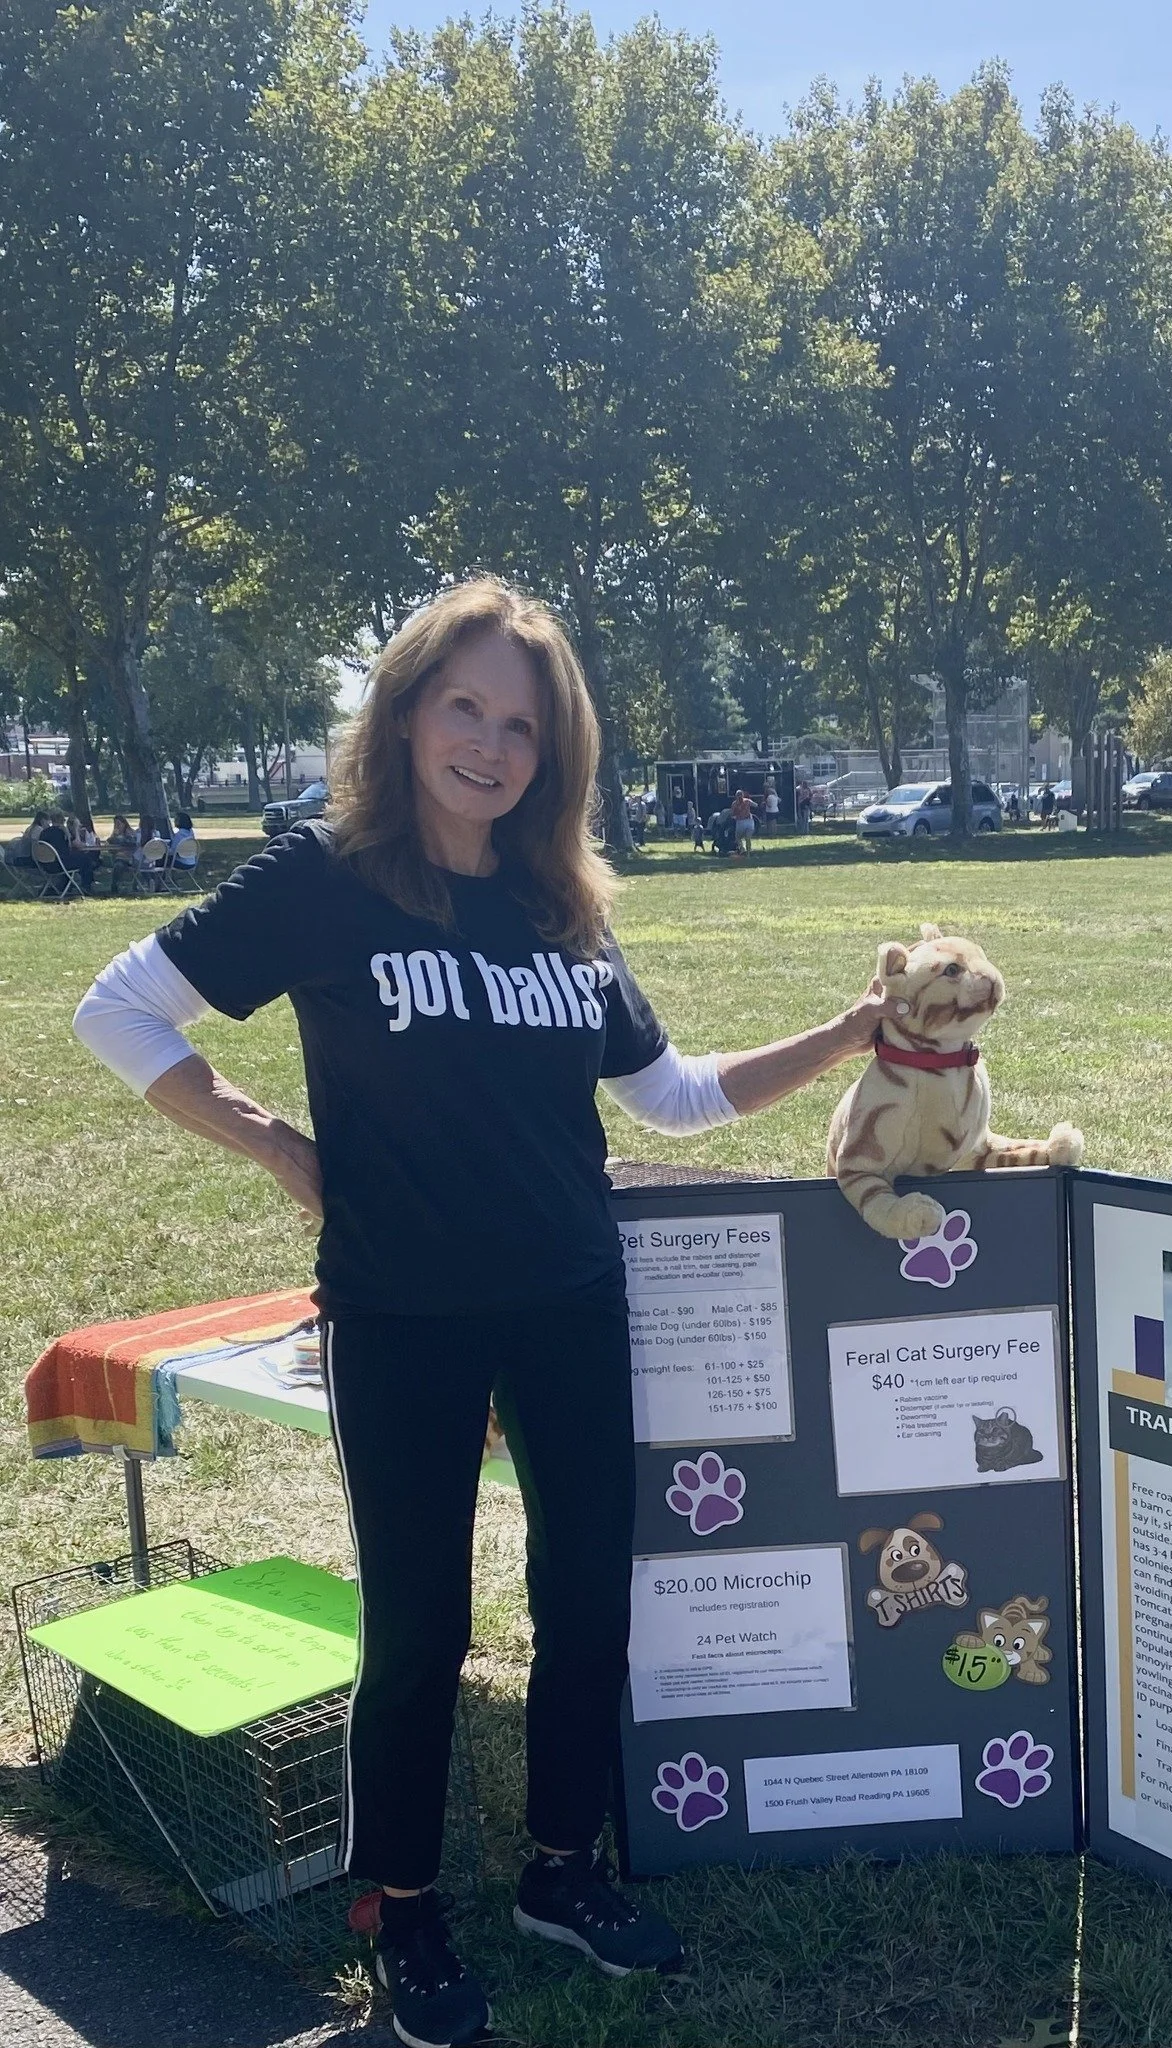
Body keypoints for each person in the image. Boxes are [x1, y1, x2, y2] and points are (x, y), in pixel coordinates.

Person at [72, 578, 888, 2048]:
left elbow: (673, 1097)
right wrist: (273, 1143)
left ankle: (560, 1871)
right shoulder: (321, 879)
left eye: (523, 724)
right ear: (405, 710)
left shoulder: (558, 907)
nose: (492, 745)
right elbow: (116, 1009)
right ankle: (398, 1896)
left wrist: (846, 1034)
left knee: (587, 1608)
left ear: (553, 755)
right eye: (467, 707)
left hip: (572, 1302)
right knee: (420, 1628)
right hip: (403, 1315)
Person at [67, 808, 102, 894]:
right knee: (87, 861)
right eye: (79, 826)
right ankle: (86, 886)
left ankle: (87, 884)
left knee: (91, 860)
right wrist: (76, 830)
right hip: (67, 862)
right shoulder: (68, 834)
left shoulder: (75, 834)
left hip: (72, 859)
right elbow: (79, 845)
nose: (80, 828)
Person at [729, 786, 755, 853]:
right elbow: (755, 805)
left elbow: (731, 814)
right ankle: (748, 854)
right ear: (743, 795)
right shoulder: (747, 801)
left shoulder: (734, 803)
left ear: (736, 796)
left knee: (738, 837)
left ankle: (742, 848)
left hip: (740, 822)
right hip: (750, 821)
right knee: (748, 838)